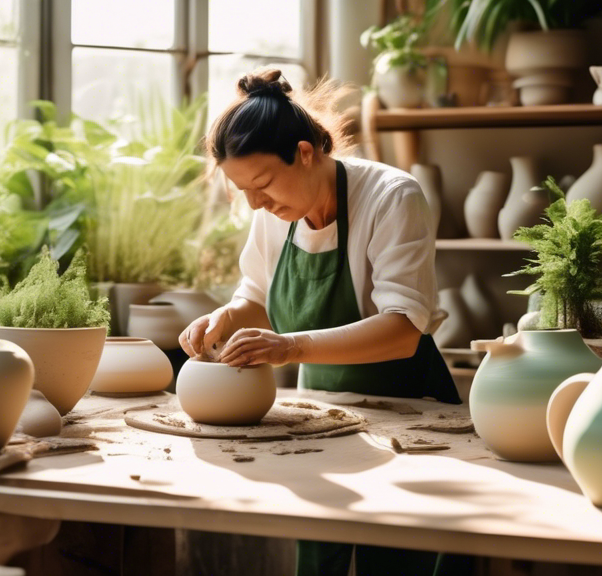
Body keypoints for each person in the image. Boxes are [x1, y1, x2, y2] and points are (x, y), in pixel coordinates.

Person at [178, 69, 471, 576]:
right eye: (243, 189)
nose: (256, 203)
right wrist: (226, 317)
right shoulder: (273, 214)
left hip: (408, 415)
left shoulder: (391, 197)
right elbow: (259, 298)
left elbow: (403, 329)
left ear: (306, 152)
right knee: (321, 547)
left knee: (395, 555)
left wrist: (289, 347)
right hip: (323, 416)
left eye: (264, 183)